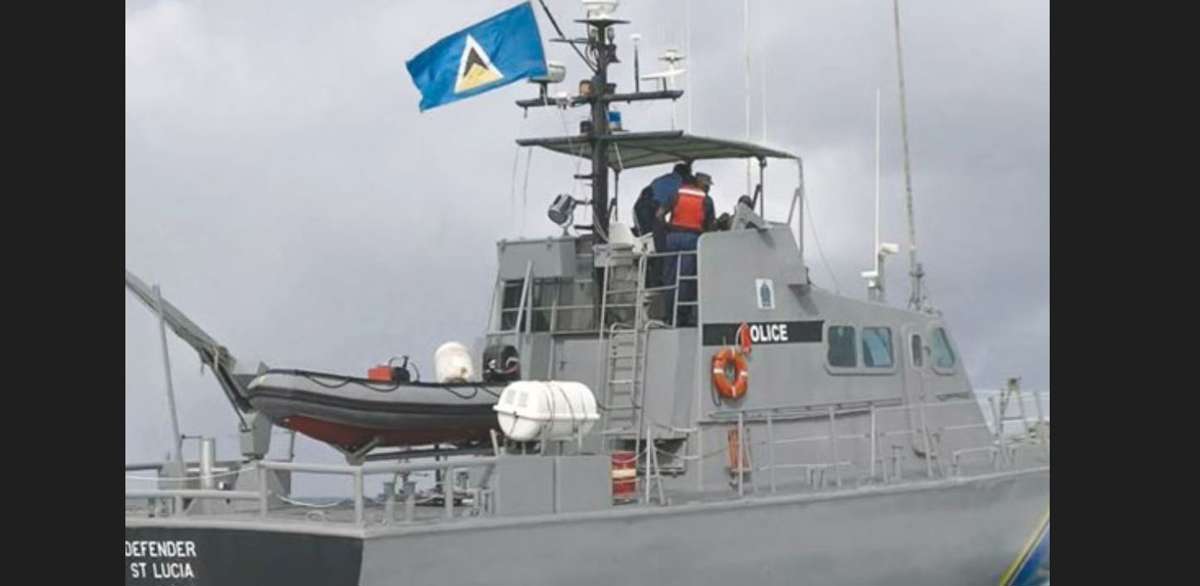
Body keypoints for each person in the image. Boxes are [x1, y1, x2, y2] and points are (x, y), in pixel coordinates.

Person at [656, 172, 716, 326]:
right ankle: (682, 317)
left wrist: (668, 228)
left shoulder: (677, 194)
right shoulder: (707, 200)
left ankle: (669, 315)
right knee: (686, 279)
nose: (708, 189)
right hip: (692, 240)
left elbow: (659, 215)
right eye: (707, 186)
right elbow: (711, 229)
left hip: (673, 238)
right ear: (701, 184)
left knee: (670, 278)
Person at [634, 162, 691, 287]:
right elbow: (663, 212)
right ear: (685, 174)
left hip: (639, 207)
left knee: (648, 241)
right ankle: (657, 281)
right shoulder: (680, 185)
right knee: (659, 245)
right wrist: (667, 226)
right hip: (650, 208)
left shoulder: (664, 179)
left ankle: (648, 277)